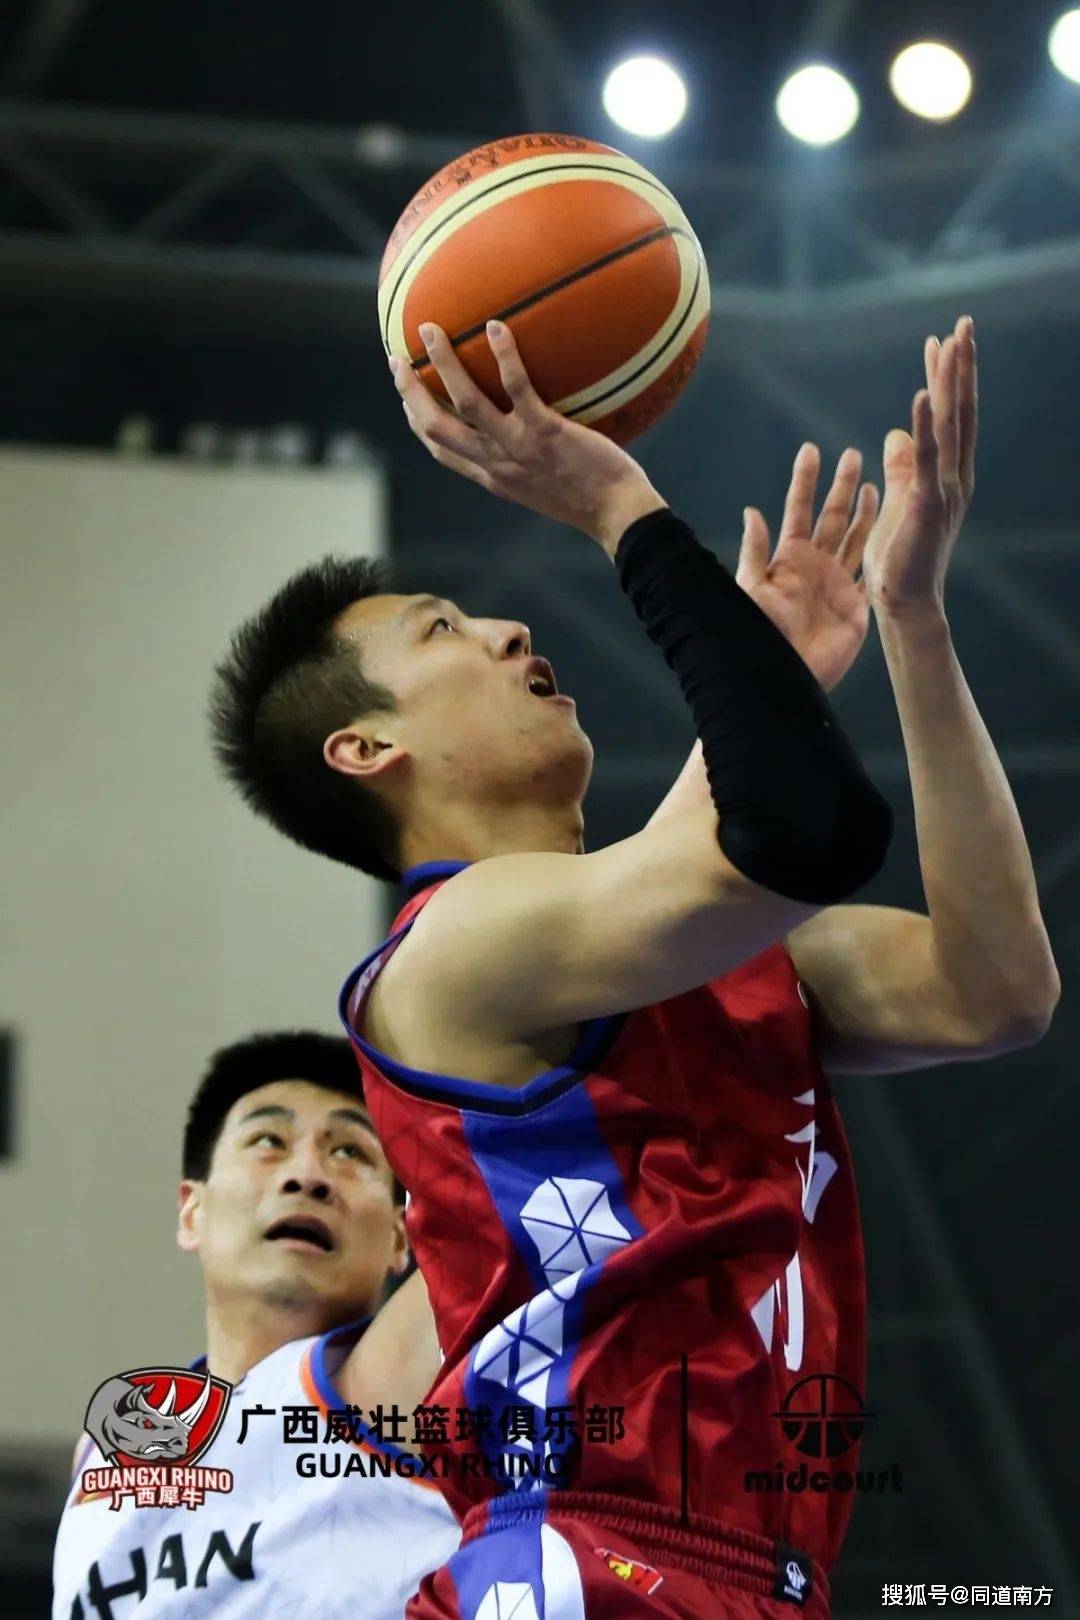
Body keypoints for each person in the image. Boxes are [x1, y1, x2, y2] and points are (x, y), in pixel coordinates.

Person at [209, 315, 1058, 1619]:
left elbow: (994, 988)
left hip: (745, 1575)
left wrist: (914, 622)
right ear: (366, 749)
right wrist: (618, 506)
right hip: (577, 1556)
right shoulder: (453, 949)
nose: (503, 627)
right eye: (443, 630)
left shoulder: (696, 948)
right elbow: (800, 833)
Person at [53, 1031, 459, 1619]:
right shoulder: (102, 1450)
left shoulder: (402, 1380)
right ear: (192, 1210)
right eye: (269, 1141)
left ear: (402, 1237)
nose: (307, 1175)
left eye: (351, 1152)